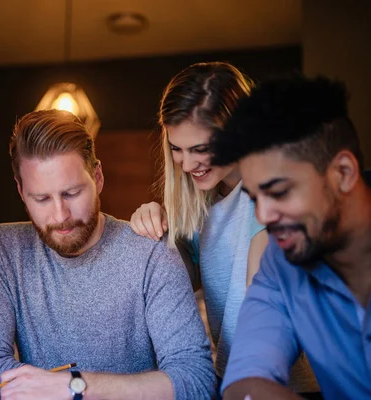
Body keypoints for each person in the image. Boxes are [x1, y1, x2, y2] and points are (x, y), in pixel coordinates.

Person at [0, 109, 216, 400]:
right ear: (21, 192)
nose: (61, 215)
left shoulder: (152, 251)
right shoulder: (5, 249)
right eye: (42, 198)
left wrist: (75, 387)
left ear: (97, 177)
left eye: (71, 193)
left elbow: (196, 380)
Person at [128, 62, 318, 395]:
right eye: (177, 149)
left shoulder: (275, 192)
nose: (186, 165)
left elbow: (266, 305)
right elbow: (182, 286)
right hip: (232, 378)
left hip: (284, 385)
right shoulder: (202, 201)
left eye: (201, 149)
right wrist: (159, 232)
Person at [210, 75, 371, 399]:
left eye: (280, 192)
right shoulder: (279, 262)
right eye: (255, 198)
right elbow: (245, 382)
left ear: (343, 173)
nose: (263, 216)